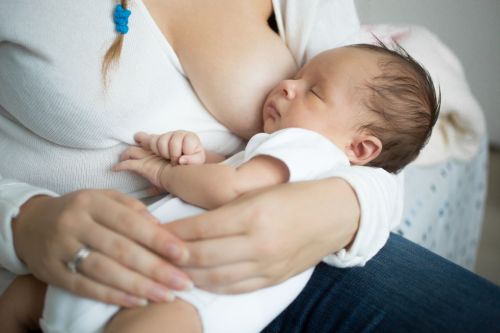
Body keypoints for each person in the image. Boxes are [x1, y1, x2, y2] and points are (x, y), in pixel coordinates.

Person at [0, 1, 499, 333]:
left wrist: (346, 208)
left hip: (211, 275)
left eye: (312, 89)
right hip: (85, 243)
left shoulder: (309, 143)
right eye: (297, 77)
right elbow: (238, 171)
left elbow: (373, 151)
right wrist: (22, 220)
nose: (287, 86)